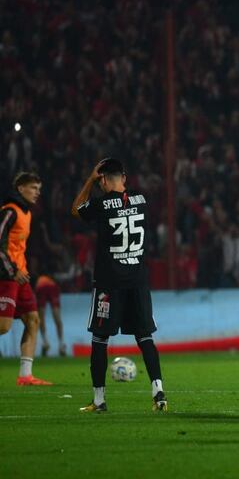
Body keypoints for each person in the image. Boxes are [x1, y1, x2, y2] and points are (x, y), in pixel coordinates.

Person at [71, 159, 165, 412]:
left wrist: (90, 180)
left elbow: (76, 209)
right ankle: (159, 393)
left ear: (102, 180)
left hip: (109, 283)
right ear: (123, 177)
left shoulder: (101, 204)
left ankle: (99, 400)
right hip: (137, 280)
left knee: (100, 339)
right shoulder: (141, 200)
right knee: (145, 336)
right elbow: (127, 201)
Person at [0, 172, 51, 385]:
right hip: (6, 276)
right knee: (3, 327)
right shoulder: (9, 212)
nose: (37, 193)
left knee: (33, 320)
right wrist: (12, 270)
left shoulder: (27, 213)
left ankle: (25, 375)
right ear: (20, 188)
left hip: (20, 276)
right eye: (33, 188)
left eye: (39, 189)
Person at [35, 273, 65, 357]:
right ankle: (61, 344)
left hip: (41, 285)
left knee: (41, 317)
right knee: (57, 317)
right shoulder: (52, 280)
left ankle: (45, 343)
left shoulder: (39, 279)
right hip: (51, 286)